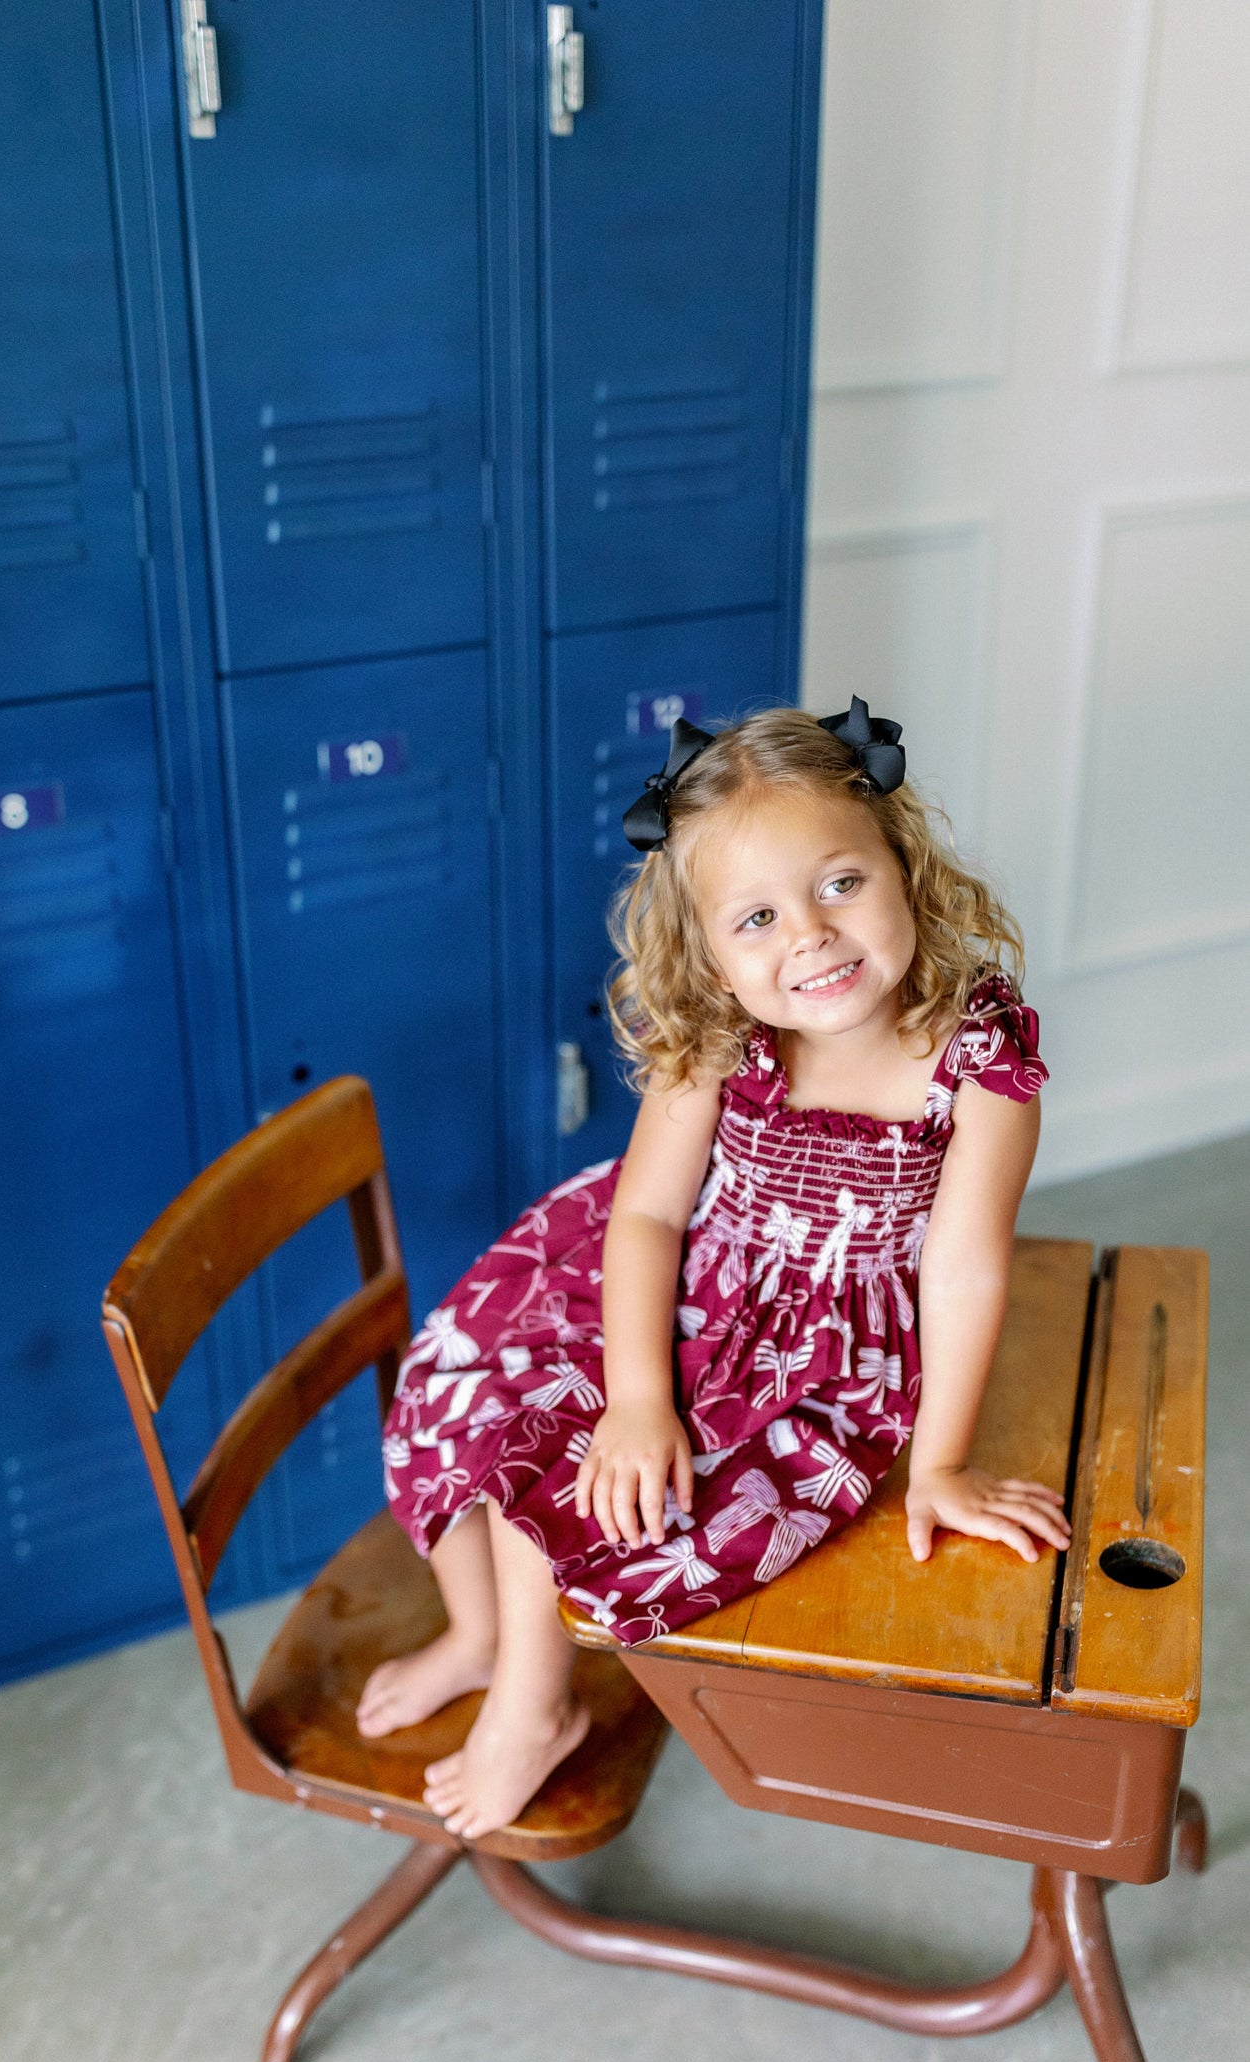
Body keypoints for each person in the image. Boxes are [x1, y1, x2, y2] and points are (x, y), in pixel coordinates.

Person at [356, 700, 1071, 1841]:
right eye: (754, 916)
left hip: (818, 1349)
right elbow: (643, 1213)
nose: (809, 935)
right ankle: (496, 1652)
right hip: (661, 1277)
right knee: (483, 1397)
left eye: (838, 882)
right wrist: (638, 1396)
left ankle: (530, 1687)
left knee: (603, 1498)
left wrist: (940, 1464)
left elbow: (965, 1266)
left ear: (902, 864)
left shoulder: (976, 1057)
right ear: (706, 953)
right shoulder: (720, 1034)